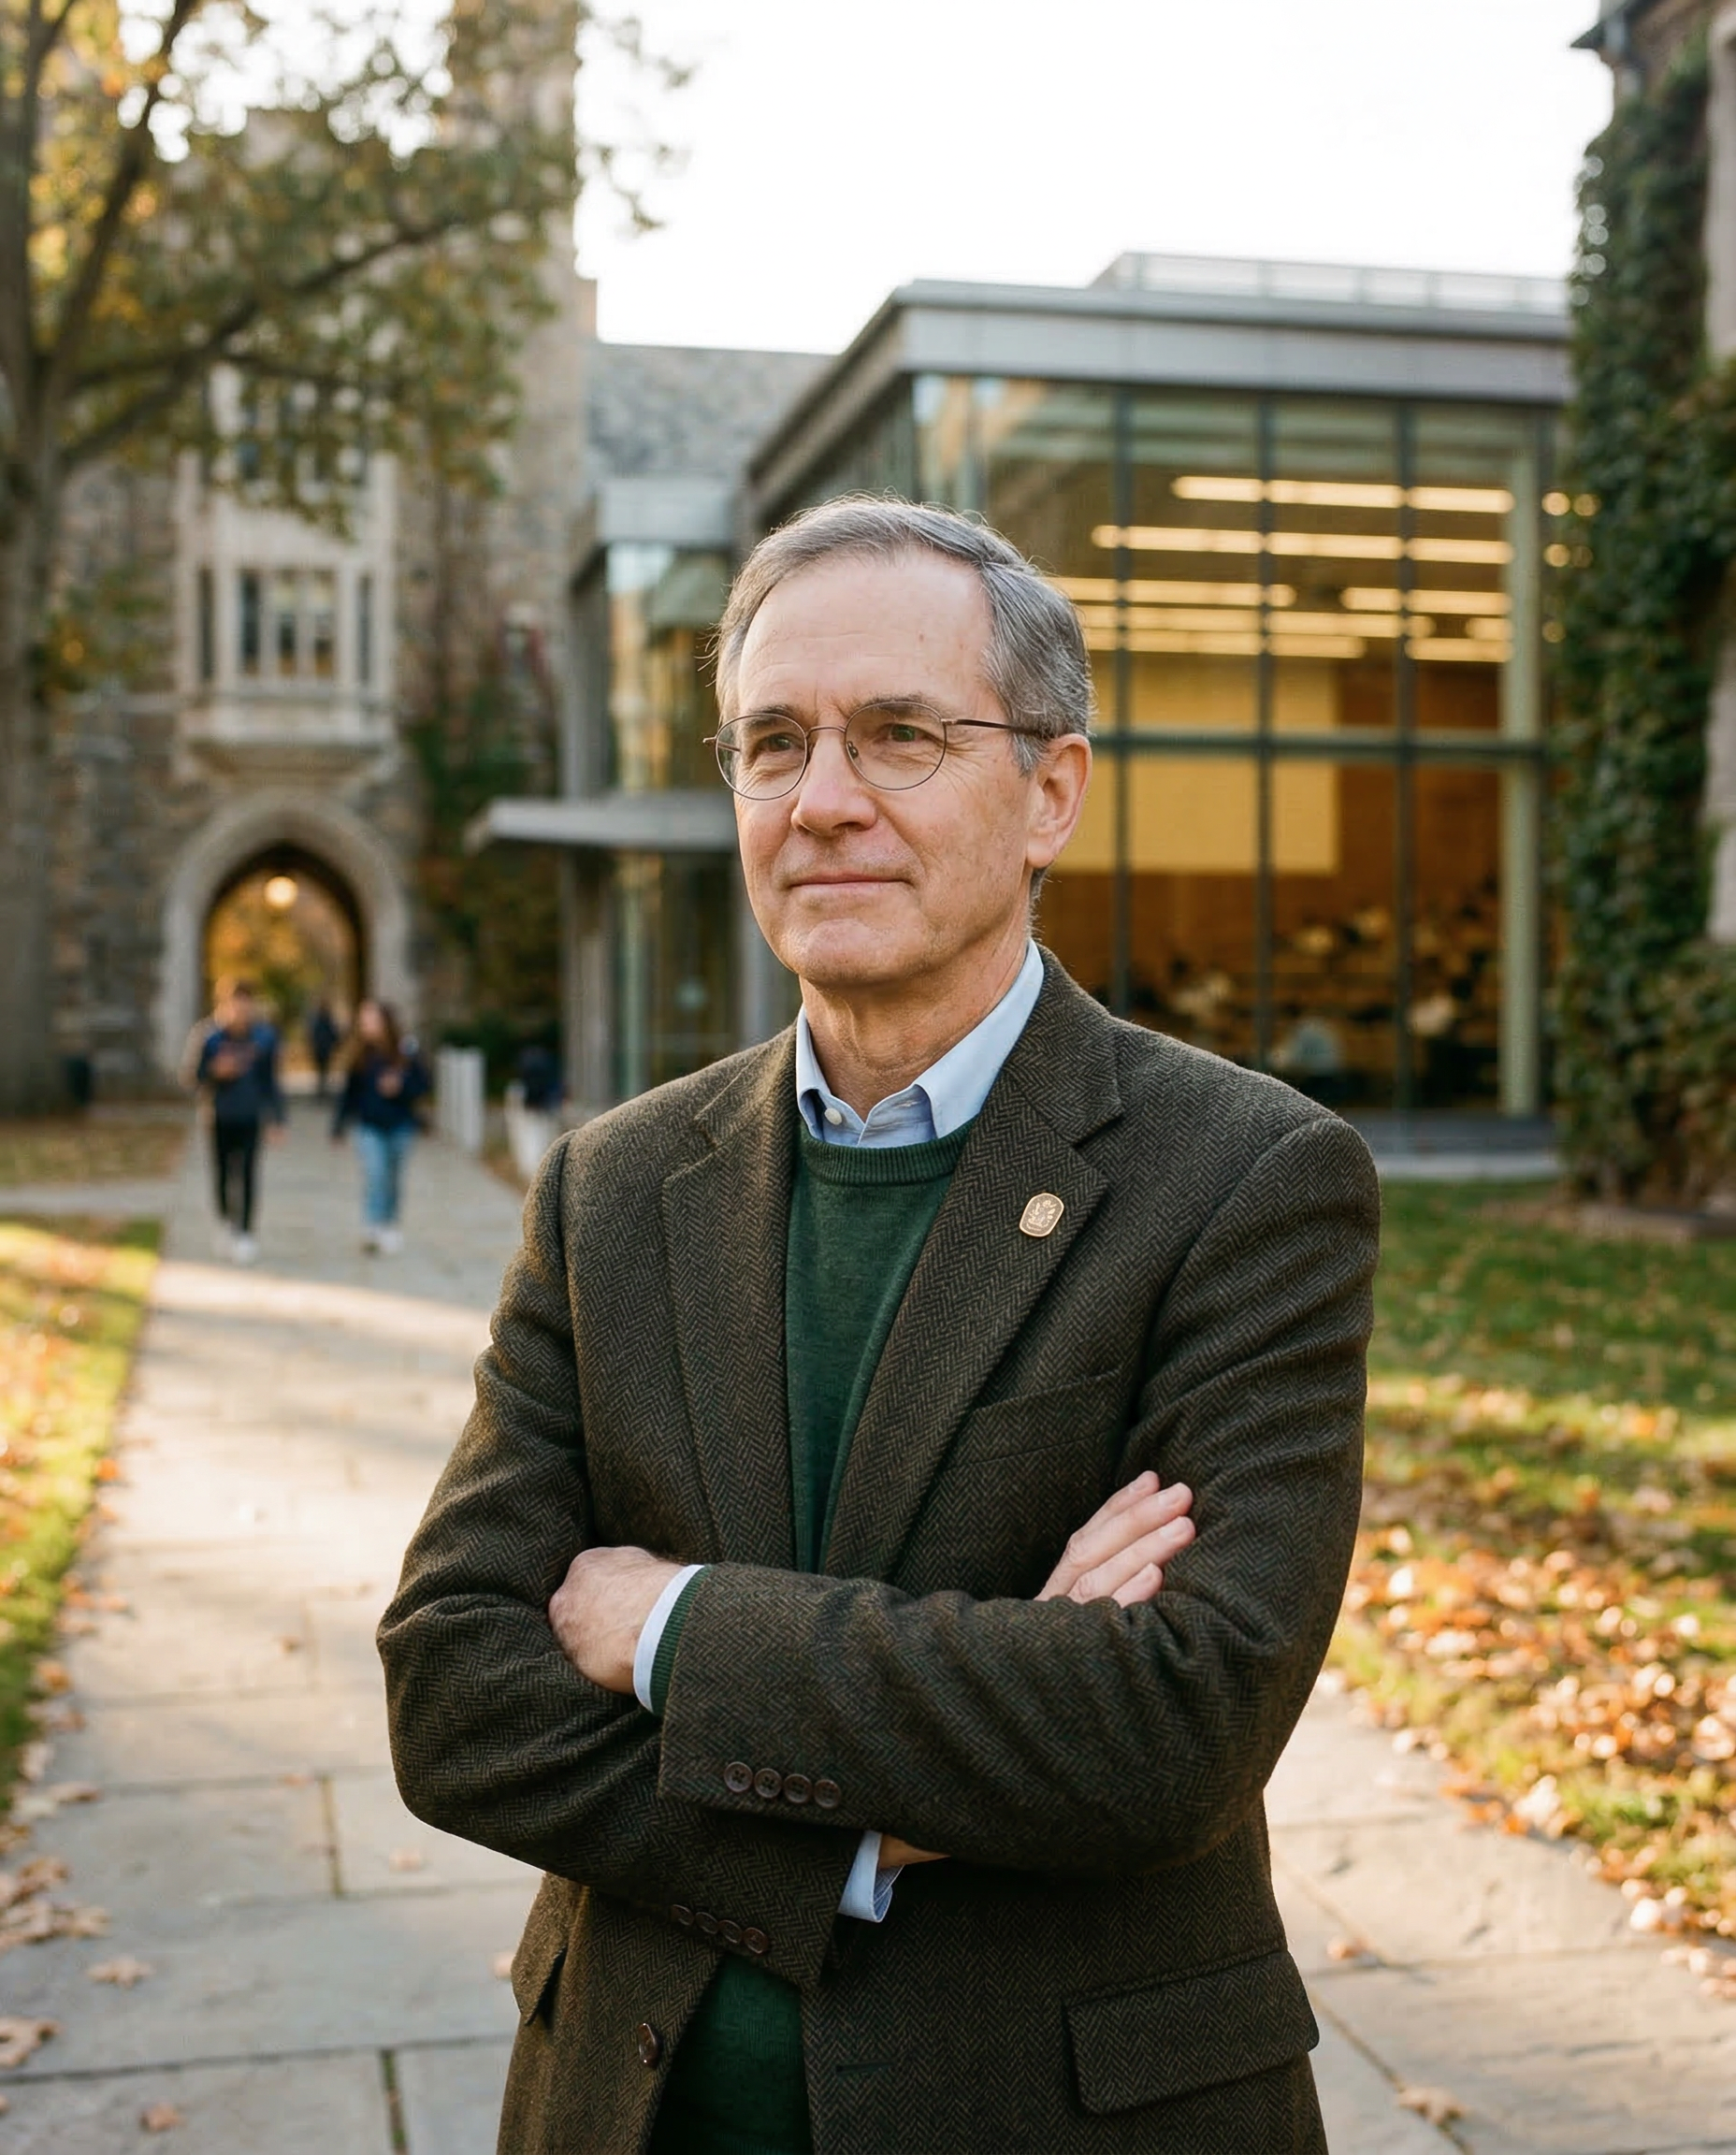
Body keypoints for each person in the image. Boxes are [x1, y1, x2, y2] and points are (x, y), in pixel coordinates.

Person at [379, 499, 1379, 2155]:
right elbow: (453, 1690)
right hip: (635, 2105)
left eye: (901, 735)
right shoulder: (614, 1188)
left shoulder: (1248, 1178)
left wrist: (676, 1630)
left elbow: (1168, 1725)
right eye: (773, 742)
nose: (823, 798)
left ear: (1050, 790)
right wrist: (872, 1827)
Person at [192, 979, 285, 1266]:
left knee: (247, 1174)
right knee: (221, 1174)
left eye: (245, 1003)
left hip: (251, 1115)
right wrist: (215, 1072)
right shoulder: (210, 1038)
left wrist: (277, 1119)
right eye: (235, 1003)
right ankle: (224, 1222)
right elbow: (194, 1077)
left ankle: (245, 1232)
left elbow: (272, 1082)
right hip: (219, 1116)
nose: (240, 1010)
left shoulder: (264, 1039)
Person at [331, 999, 429, 1254]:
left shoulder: (406, 1051)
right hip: (368, 1126)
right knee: (375, 1174)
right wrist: (338, 1126)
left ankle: (390, 1224)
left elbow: (424, 1085)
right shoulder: (359, 1055)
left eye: (372, 1020)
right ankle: (372, 1225)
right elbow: (348, 1094)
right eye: (364, 1021)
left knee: (393, 1178)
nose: (367, 1026)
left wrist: (401, 1087)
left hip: (400, 1125)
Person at [307, 1001, 341, 1101]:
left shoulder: (319, 1021)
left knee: (322, 1071)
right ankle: (322, 1090)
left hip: (322, 1049)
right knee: (323, 1071)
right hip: (323, 1049)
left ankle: (322, 1090)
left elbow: (313, 1035)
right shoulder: (324, 1021)